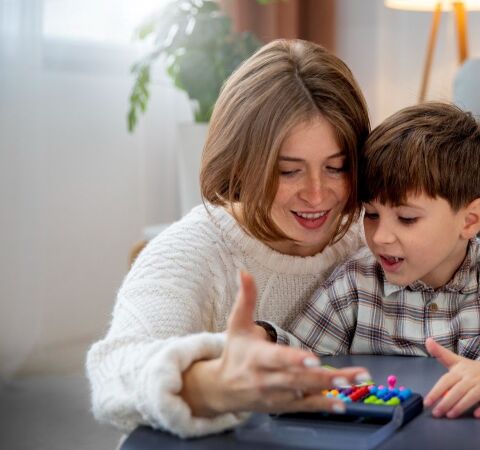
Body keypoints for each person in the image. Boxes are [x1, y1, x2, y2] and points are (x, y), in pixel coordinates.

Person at [86, 39, 373, 438]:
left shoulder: (367, 235)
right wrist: (216, 385)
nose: (317, 194)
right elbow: (113, 372)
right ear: (242, 163)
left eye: (337, 167)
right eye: (289, 171)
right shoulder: (191, 250)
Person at [259, 102, 480, 419]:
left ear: (469, 220)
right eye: (371, 214)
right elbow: (306, 353)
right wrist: (266, 339)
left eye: (407, 218)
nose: (380, 236)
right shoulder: (357, 279)